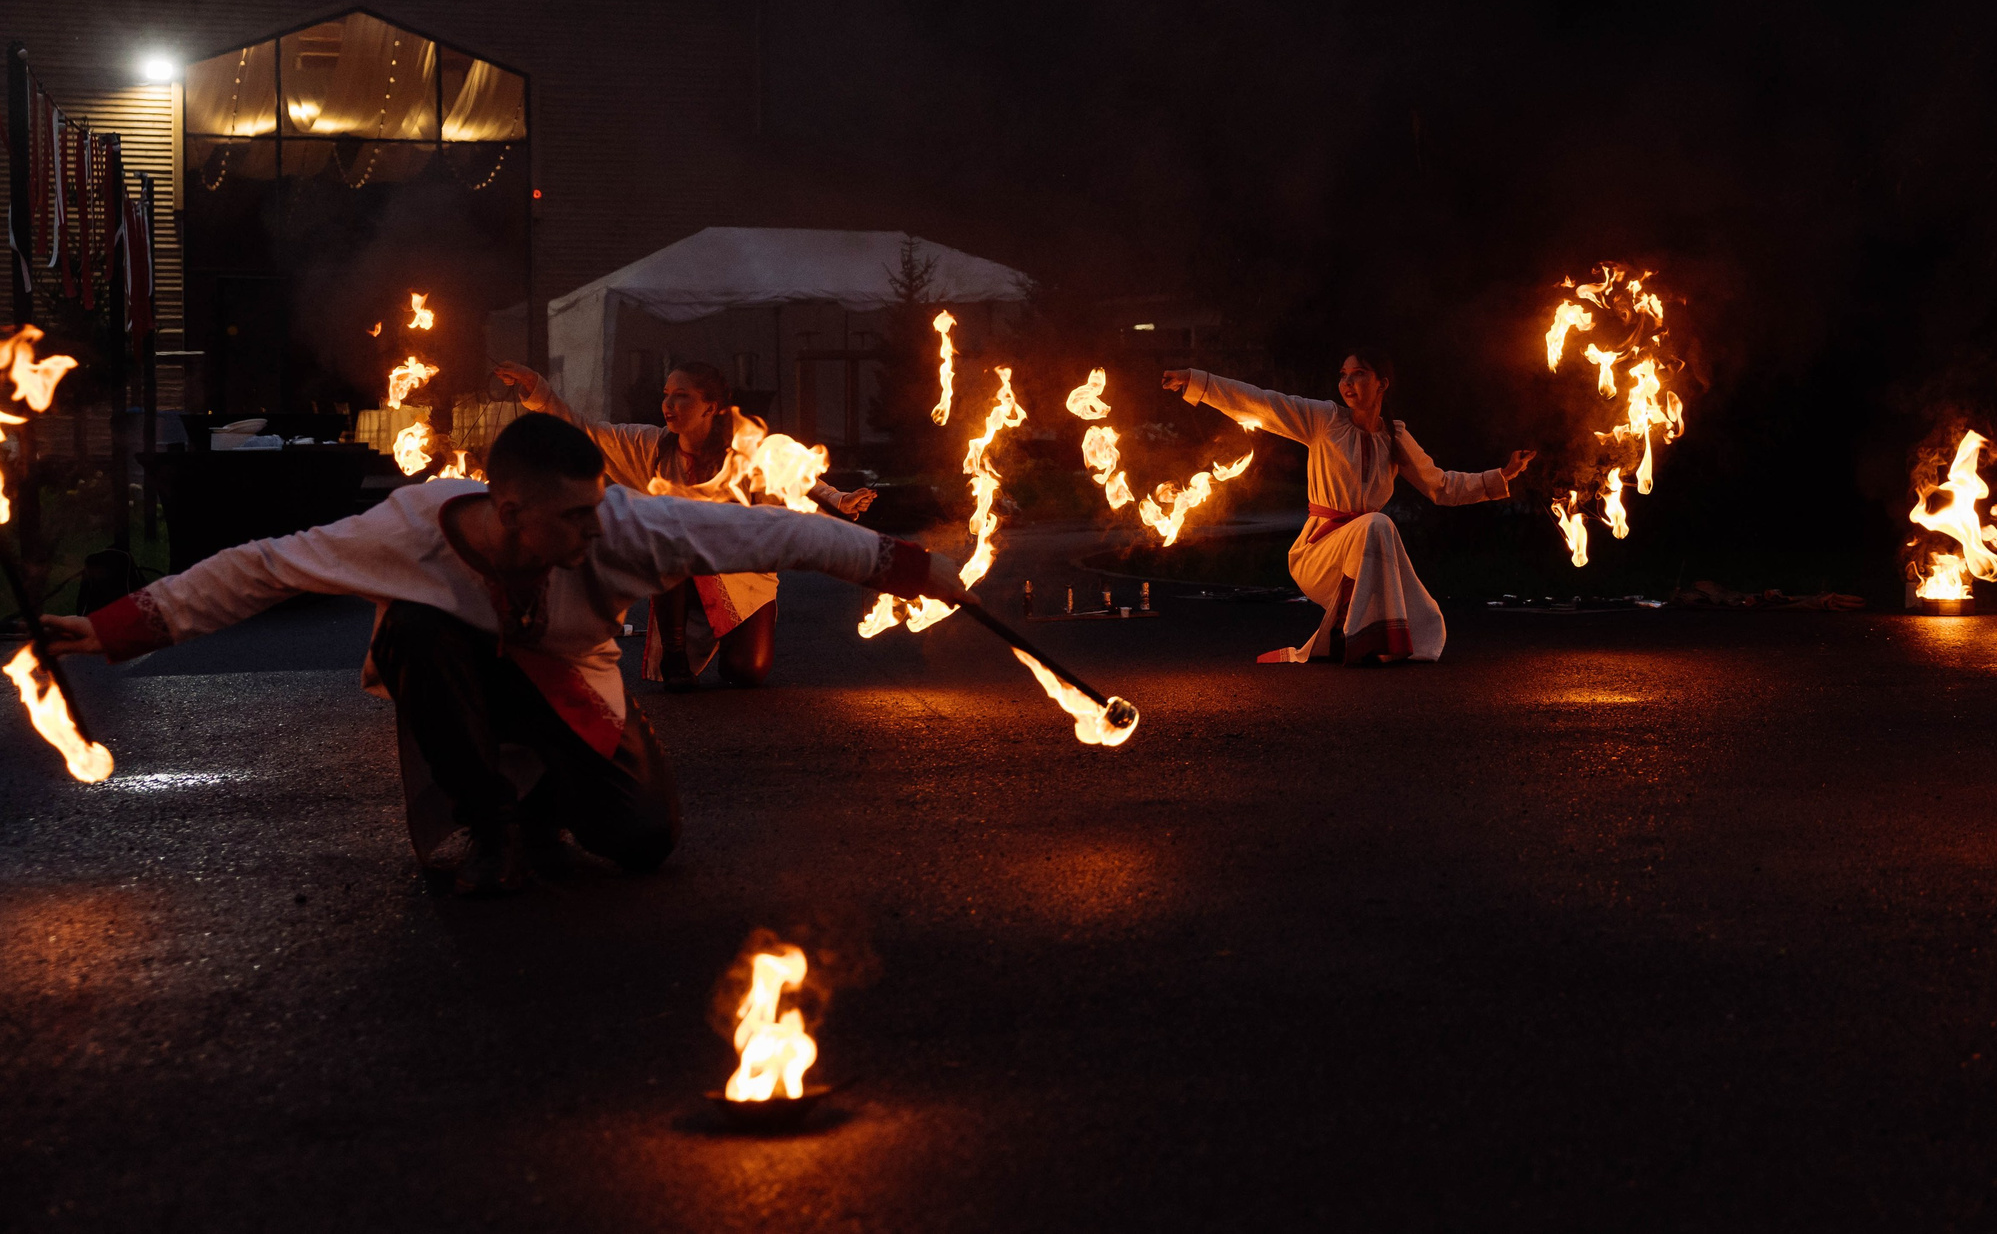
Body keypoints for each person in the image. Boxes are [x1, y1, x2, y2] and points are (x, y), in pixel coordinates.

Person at [45, 413, 966, 896]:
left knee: (643, 840)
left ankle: (543, 798)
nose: (592, 530)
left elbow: (783, 535)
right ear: (511, 508)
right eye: (571, 517)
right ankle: (490, 827)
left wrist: (912, 568)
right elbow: (264, 567)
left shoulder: (624, 526)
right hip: (459, 678)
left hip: (571, 684)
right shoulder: (407, 528)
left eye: (595, 509)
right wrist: (119, 626)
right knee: (415, 628)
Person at [492, 358, 876, 691]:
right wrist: (537, 390)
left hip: (742, 579)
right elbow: (585, 431)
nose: (668, 404)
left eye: (681, 396)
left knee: (746, 671)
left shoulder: (742, 450)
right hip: (680, 579)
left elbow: (793, 477)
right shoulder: (651, 446)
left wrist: (838, 499)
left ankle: (729, 644)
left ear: (710, 407)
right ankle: (675, 655)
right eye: (666, 394)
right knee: (670, 536)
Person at [1163, 352, 1534, 664]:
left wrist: (1502, 474)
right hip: (1318, 553)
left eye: (1359, 374)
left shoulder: (1395, 436)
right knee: (1377, 524)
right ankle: (1357, 639)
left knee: (1376, 526)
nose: (1347, 382)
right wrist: (1198, 381)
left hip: (1366, 551)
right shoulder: (1325, 419)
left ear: (1382, 384)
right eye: (1343, 375)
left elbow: (1442, 486)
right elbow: (1262, 401)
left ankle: (1367, 639)